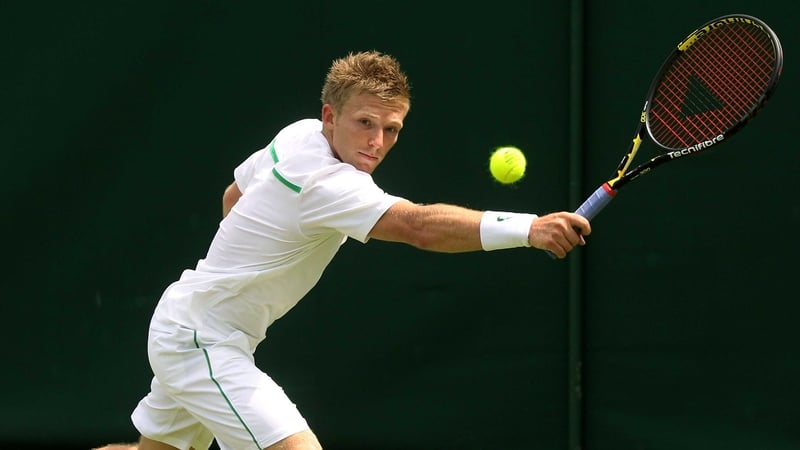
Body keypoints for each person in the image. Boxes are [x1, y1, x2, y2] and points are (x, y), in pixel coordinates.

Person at [95, 50, 590, 450]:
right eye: (365, 123)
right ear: (331, 116)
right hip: (201, 339)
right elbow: (417, 226)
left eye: (391, 129)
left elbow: (233, 198)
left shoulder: (298, 135)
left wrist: (244, 267)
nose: (377, 142)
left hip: (194, 320)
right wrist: (530, 227)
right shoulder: (330, 185)